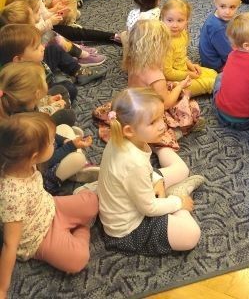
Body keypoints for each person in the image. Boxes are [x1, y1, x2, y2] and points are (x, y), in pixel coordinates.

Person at [0, 112, 98, 298]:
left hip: (50, 206)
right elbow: (10, 244)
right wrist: (2, 288)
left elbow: (49, 158)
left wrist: (71, 144)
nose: (54, 143)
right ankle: (82, 226)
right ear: (35, 155)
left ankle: (77, 222)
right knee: (78, 259)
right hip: (38, 238)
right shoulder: (12, 194)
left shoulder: (23, 161)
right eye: (52, 142)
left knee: (93, 202)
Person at [98, 88, 202, 255]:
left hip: (137, 190)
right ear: (129, 130)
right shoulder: (134, 163)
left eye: (161, 117)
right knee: (191, 234)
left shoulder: (124, 140)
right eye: (153, 122)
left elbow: (143, 170)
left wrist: (156, 179)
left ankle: (161, 150)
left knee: (182, 170)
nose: (162, 125)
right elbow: (149, 208)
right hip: (130, 229)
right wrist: (178, 202)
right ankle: (176, 192)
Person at [0, 62, 98, 194]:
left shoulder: (22, 114)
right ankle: (75, 170)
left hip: (43, 150)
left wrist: (63, 140)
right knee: (77, 159)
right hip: (42, 167)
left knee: (64, 128)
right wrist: (70, 146)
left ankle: (73, 160)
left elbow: (46, 136)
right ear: (36, 93)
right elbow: (44, 160)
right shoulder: (23, 129)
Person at [123, 20, 202, 150]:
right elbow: (167, 103)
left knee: (171, 86)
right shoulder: (155, 74)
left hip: (135, 102)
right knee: (188, 103)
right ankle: (174, 132)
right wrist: (180, 86)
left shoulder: (134, 60)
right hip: (149, 111)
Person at [161, 0, 217, 96]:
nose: (174, 25)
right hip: (170, 81)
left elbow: (181, 56)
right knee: (212, 83)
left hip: (182, 71)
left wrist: (191, 65)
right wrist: (188, 74)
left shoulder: (183, 33)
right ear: (162, 19)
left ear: (187, 20)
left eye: (180, 20)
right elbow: (167, 73)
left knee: (213, 73)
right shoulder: (166, 43)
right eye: (169, 20)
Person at [198, 0, 241, 71]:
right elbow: (228, 55)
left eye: (232, 7)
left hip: (218, 55)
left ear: (239, 4)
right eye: (223, 6)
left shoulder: (218, 15)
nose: (227, 12)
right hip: (216, 65)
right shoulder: (218, 27)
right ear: (215, 2)